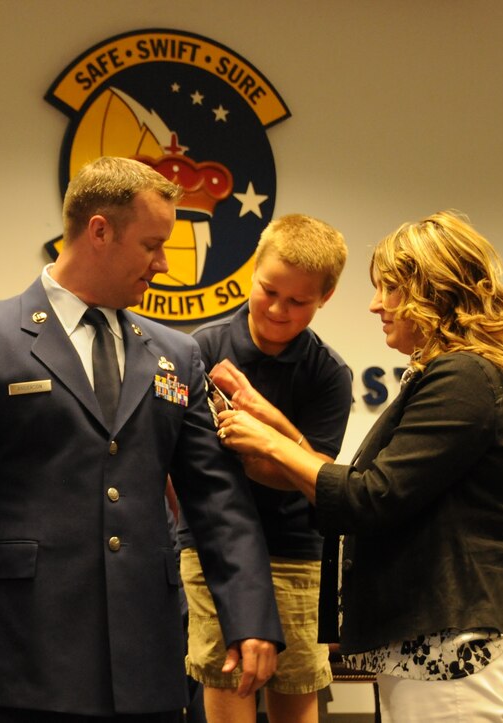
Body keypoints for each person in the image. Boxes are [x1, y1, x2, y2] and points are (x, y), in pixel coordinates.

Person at [0, 156, 284, 722]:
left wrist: (251, 616)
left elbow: (218, 499)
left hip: (147, 657)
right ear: (99, 231)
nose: (163, 264)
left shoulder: (177, 354)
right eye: (152, 245)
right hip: (20, 654)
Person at [217, 211, 503, 721]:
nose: (374, 305)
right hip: (428, 649)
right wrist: (273, 419)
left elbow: (370, 497)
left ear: (430, 291)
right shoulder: (448, 373)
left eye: (388, 289)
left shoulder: (464, 376)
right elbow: (368, 487)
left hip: (456, 650)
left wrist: (269, 442)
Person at [177, 214, 351, 723]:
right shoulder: (198, 351)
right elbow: (185, 467)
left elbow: (319, 481)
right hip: (210, 548)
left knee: (295, 692)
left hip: (296, 552)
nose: (278, 309)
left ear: (326, 297)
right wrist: (280, 458)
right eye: (268, 290)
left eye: (299, 302)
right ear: (252, 271)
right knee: (227, 685)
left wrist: (262, 435)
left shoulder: (329, 373)